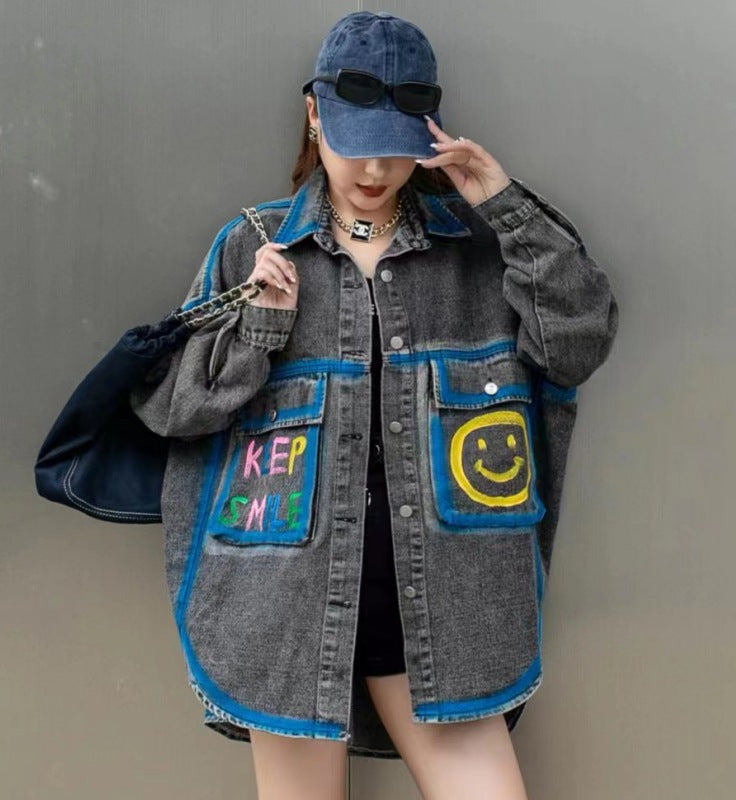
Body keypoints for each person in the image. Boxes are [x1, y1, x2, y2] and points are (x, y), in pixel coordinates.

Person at [129, 11, 618, 800]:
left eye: (397, 145)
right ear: (314, 115)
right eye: (357, 142)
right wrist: (260, 331)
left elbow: (577, 346)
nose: (377, 167)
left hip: (443, 609)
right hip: (284, 608)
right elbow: (172, 411)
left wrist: (506, 207)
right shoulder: (254, 246)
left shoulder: (480, 254)